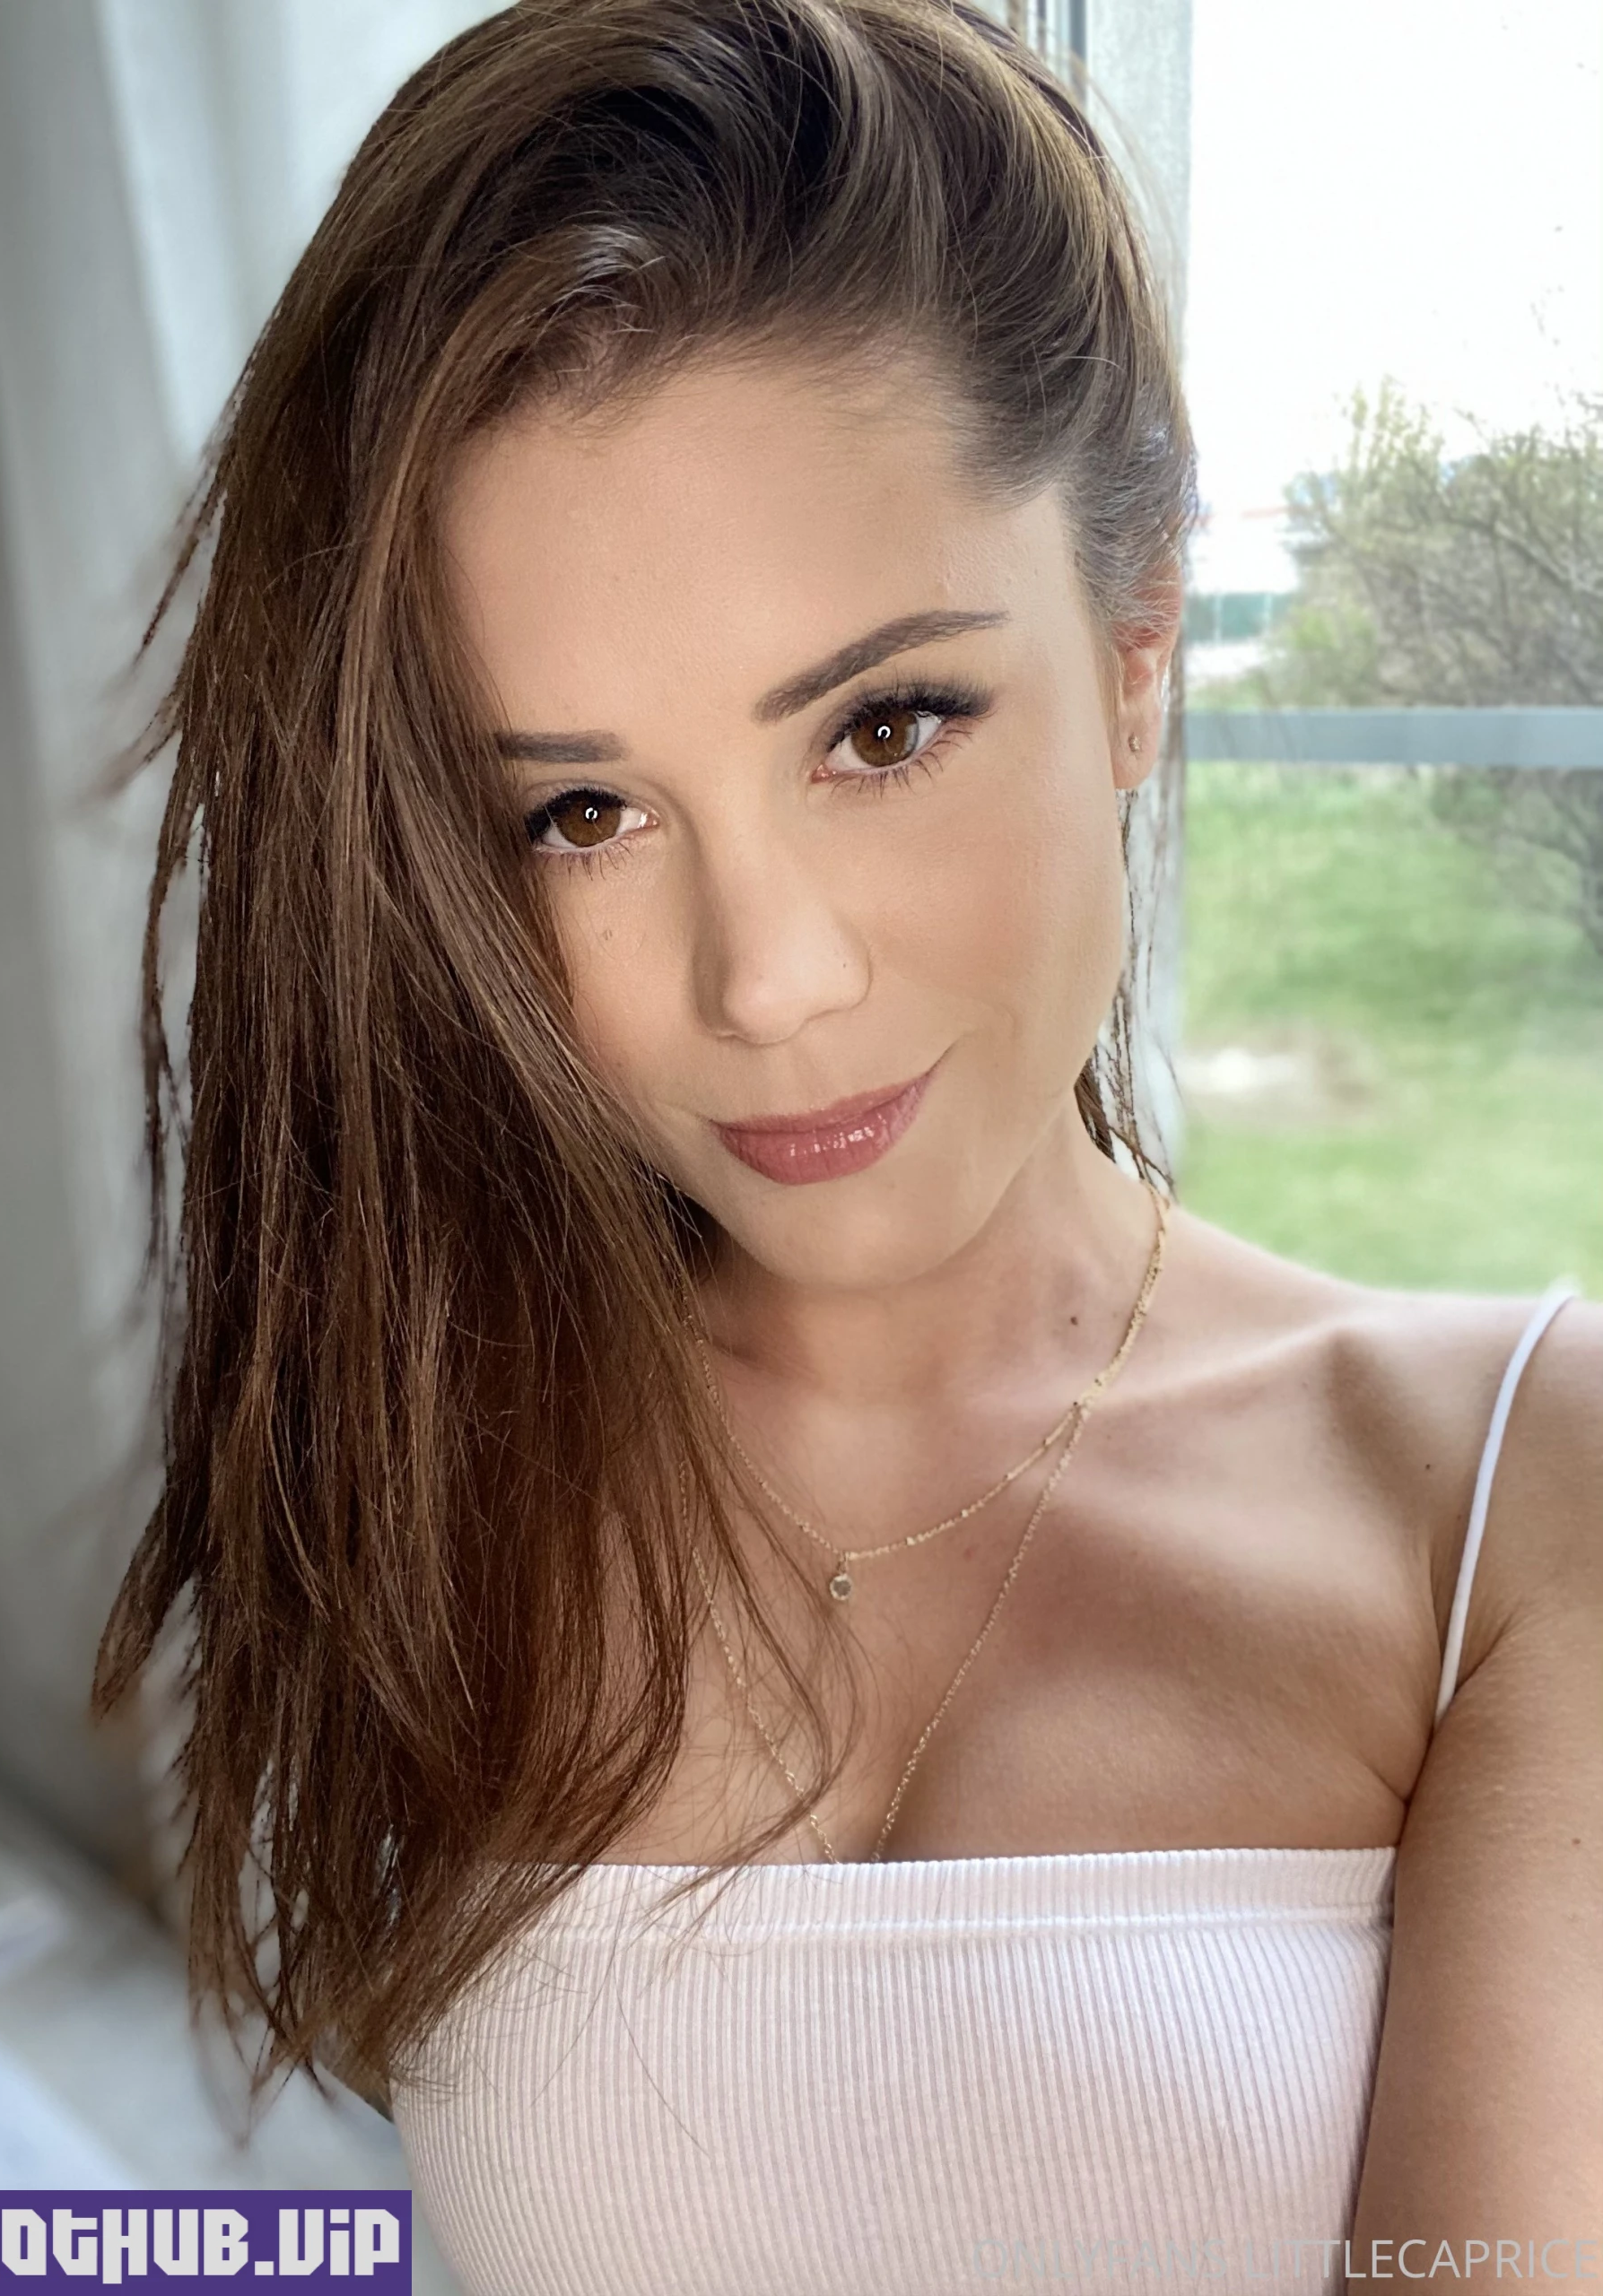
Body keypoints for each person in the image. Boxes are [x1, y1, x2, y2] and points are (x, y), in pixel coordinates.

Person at [92, 1, 1603, 2289]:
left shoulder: (1510, 1497)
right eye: (579, 813)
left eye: (886, 725)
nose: (768, 977)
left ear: (1136, 647)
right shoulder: (436, 1453)